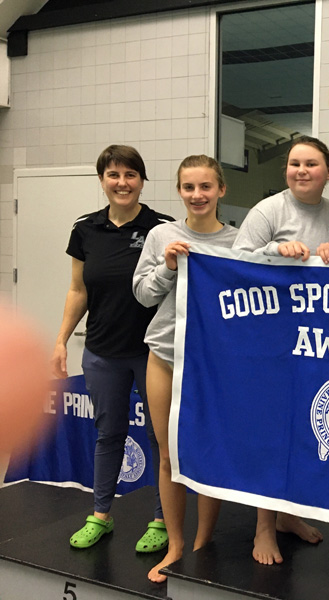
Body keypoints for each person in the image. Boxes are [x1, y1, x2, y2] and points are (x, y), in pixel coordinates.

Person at [52, 145, 173, 552]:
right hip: (101, 351)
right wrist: (60, 340)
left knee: (160, 439)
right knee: (109, 435)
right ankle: (100, 515)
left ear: (142, 180)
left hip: (152, 353)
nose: (122, 183)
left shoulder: (163, 228)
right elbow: (78, 289)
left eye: (131, 175)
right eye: (114, 175)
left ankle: (162, 520)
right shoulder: (85, 230)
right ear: (102, 180)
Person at [133, 155, 238, 583]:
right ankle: (176, 544)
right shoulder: (162, 234)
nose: (198, 195)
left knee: (208, 453)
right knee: (167, 454)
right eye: (189, 187)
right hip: (164, 355)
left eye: (206, 187)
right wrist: (168, 267)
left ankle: (202, 541)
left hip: (213, 364)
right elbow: (141, 295)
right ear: (179, 191)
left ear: (221, 190)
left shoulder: (237, 240)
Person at [232, 135, 329, 564]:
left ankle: (288, 515)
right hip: (275, 341)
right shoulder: (269, 210)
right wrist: (275, 250)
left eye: (311, 164)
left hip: (323, 338)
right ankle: (263, 527)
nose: (301, 171)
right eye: (294, 163)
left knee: (305, 434)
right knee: (274, 434)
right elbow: (234, 263)